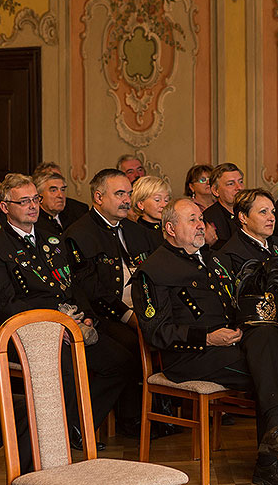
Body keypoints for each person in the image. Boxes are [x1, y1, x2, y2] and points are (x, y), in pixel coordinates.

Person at [132, 198, 278, 485]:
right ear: (170, 228)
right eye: (192, 220)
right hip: (192, 356)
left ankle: (275, 436)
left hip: (232, 343)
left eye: (201, 218)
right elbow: (157, 332)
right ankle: (269, 459)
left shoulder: (214, 259)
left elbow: (234, 304)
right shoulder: (152, 271)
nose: (201, 224)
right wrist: (207, 338)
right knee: (274, 365)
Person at [0, 174, 137, 451]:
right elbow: (6, 303)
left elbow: (73, 286)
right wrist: (55, 320)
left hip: (69, 322)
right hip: (27, 330)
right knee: (66, 363)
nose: (32, 206)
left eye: (35, 199)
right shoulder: (0, 246)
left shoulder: (53, 239)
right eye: (23, 201)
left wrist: (85, 315)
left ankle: (77, 424)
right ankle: (59, 435)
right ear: (4, 206)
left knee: (121, 361)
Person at [216, 188, 278, 469]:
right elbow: (243, 306)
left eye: (272, 211)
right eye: (263, 212)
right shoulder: (229, 254)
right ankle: (275, 450)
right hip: (255, 334)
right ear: (242, 218)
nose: (271, 217)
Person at [63, 168, 155, 437]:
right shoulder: (79, 234)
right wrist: (130, 317)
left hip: (139, 309)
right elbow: (92, 290)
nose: (126, 199)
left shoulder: (137, 231)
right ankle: (122, 421)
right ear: (98, 197)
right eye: (119, 194)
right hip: (104, 315)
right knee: (131, 347)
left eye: (128, 193)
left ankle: (154, 417)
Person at [202, 163, 245, 250]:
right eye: (231, 184)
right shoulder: (208, 218)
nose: (239, 187)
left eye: (240, 182)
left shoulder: (250, 211)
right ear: (215, 190)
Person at [33, 171, 89, 237]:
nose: (61, 195)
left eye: (62, 190)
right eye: (53, 190)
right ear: (39, 197)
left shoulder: (74, 216)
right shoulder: (34, 223)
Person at [131, 176, 171, 247]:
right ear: (141, 204)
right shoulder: (136, 233)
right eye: (157, 200)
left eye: (166, 200)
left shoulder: (171, 228)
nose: (164, 205)